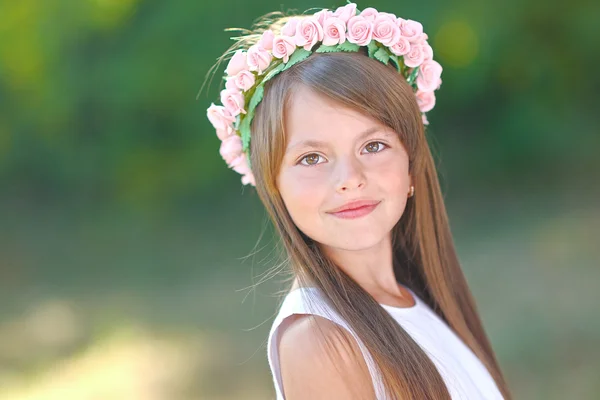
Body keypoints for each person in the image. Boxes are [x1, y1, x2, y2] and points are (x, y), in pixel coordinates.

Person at [206, 3, 512, 399]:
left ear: (411, 167)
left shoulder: (423, 306)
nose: (349, 179)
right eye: (311, 158)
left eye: (373, 145)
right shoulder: (319, 341)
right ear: (274, 184)